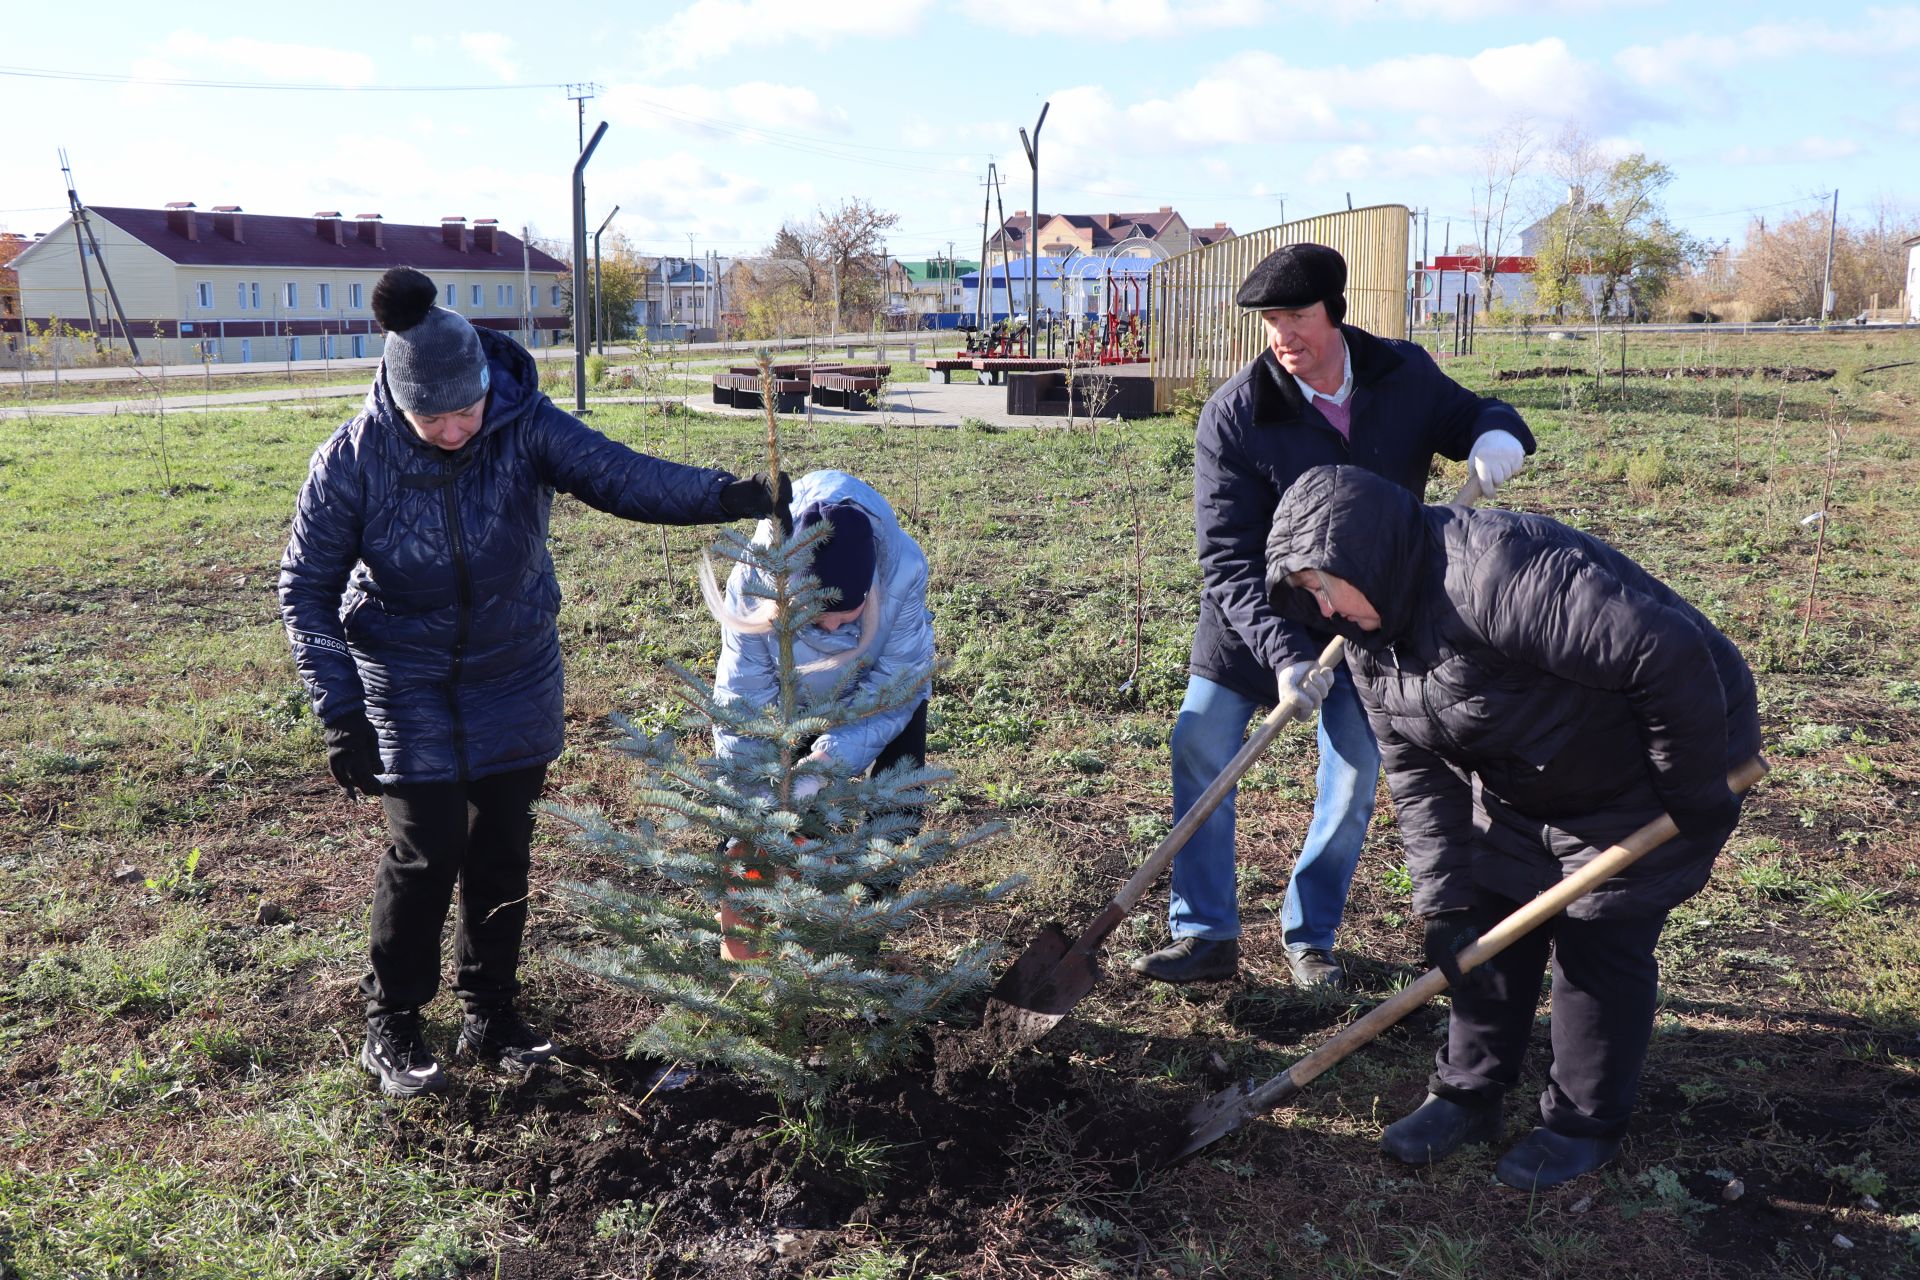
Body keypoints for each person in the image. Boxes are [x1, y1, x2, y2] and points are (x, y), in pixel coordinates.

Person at [279, 266, 788, 1097]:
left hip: (512, 669)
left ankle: (492, 1013)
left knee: (501, 848)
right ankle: (393, 1024)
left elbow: (622, 475)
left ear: (486, 384)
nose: (452, 430)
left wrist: (731, 496)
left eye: (464, 411)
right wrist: (339, 706)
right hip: (403, 677)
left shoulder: (524, 425)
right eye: (431, 417)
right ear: (399, 402)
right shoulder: (352, 460)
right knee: (426, 849)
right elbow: (304, 587)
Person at [1265, 464, 1761, 1190]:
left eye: (1324, 583)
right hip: (1522, 772)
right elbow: (1416, 769)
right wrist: (1444, 901)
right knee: (1489, 918)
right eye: (1308, 593)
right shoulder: (1374, 641)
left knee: (1598, 940)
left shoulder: (1498, 576)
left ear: (1361, 554)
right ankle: (1468, 1093)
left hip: (1658, 762)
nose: (1326, 607)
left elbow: (1669, 655)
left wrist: (1690, 791)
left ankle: (1580, 1124)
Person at [1132, 243, 1536, 991]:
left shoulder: (1400, 376)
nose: (1282, 334)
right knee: (1199, 740)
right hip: (1256, 624)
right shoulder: (1239, 415)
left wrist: (1495, 435)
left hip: (1371, 626)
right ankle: (1205, 934)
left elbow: (1472, 412)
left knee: (1351, 781)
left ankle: (1309, 936)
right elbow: (1225, 557)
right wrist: (1284, 655)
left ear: (1336, 313)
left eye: (1297, 316)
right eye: (1270, 321)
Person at [706, 471, 934, 959]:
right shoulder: (758, 576)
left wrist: (824, 766)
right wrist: (750, 816)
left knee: (899, 801)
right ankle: (754, 950)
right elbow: (742, 706)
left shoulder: (903, 573)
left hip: (877, 695)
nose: (831, 626)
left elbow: (896, 688)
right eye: (817, 616)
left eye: (846, 616)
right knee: (757, 822)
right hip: (787, 701)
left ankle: (858, 941)